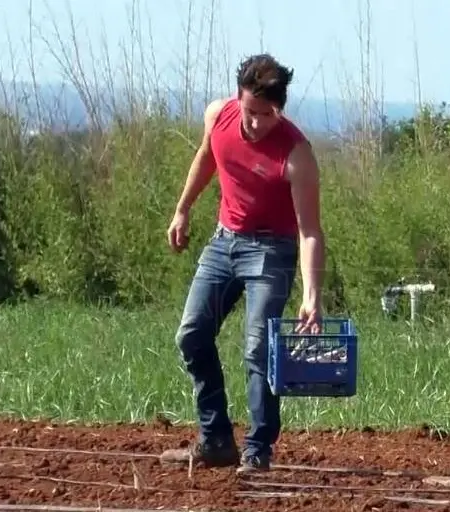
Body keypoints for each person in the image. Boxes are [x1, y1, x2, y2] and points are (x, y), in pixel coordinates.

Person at [158, 53, 326, 473]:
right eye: (250, 111)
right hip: (223, 242)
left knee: (257, 348)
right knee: (191, 336)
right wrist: (182, 210)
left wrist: (311, 295)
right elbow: (207, 157)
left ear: (279, 109)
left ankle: (258, 450)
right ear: (239, 97)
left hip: (272, 252)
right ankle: (215, 440)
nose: (254, 123)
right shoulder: (218, 115)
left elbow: (309, 231)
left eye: (265, 115)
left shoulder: (297, 153)